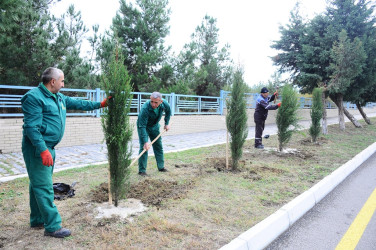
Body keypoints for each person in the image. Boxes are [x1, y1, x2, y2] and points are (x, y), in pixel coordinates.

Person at [21, 67, 110, 238]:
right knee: (44, 186)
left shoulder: (58, 97)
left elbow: (78, 103)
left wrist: (100, 104)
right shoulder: (34, 97)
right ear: (53, 81)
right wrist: (42, 150)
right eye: (62, 81)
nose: (64, 83)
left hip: (49, 148)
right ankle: (53, 226)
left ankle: (38, 219)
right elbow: (31, 127)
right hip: (38, 149)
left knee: (37, 184)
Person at [137, 92, 171, 176]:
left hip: (154, 126)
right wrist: (145, 142)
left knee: (158, 145)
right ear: (150, 99)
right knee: (144, 147)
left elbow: (168, 111)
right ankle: (142, 171)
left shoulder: (164, 103)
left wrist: (166, 123)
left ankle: (161, 167)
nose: (153, 104)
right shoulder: (145, 108)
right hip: (143, 126)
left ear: (161, 101)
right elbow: (142, 126)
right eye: (152, 101)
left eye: (156, 102)